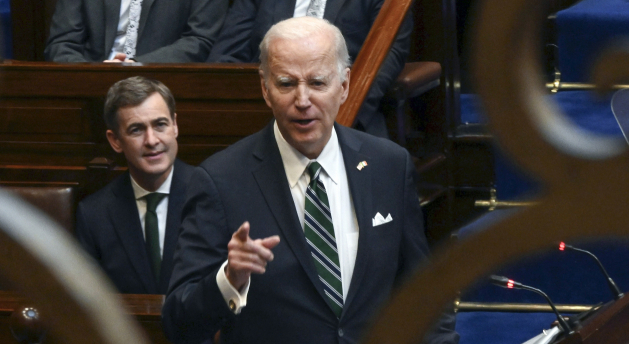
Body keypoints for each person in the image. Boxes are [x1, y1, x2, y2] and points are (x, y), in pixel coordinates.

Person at [163, 17, 470, 344]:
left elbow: (416, 284)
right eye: (287, 83)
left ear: (344, 85)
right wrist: (228, 280)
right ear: (265, 88)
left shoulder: (387, 165)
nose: (302, 99)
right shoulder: (220, 181)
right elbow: (179, 323)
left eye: (318, 83)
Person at [206, 0, 412, 138]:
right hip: (263, 116)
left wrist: (346, 111)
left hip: (348, 115)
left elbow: (387, 54)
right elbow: (225, 56)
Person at [76, 76, 195, 294]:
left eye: (160, 125)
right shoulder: (94, 214)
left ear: (175, 126)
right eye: (136, 130)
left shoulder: (213, 195)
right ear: (115, 140)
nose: (151, 140)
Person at [44, 0, 227, 63]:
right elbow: (62, 44)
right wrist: (94, 75)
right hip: (90, 88)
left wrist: (134, 66)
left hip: (164, 85)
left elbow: (200, 40)